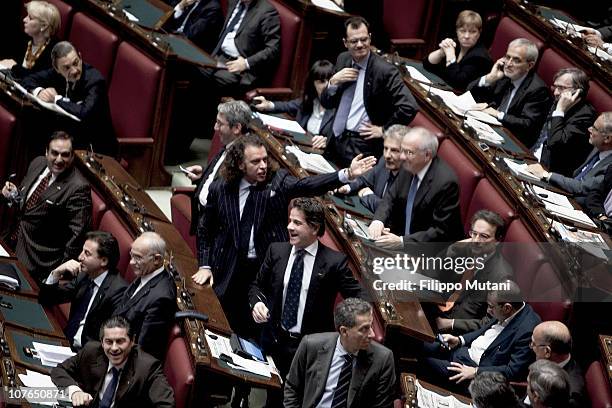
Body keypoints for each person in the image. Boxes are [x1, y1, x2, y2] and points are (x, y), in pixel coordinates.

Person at [193, 133, 376, 338]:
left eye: (265, 159)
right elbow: (205, 228)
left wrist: (346, 174)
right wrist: (205, 265)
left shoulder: (277, 182)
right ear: (240, 164)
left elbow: (306, 186)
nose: (263, 165)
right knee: (223, 323)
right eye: (255, 161)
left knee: (259, 326)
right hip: (230, 267)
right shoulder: (221, 188)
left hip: (266, 266)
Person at [249, 198, 366, 407]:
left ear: (314, 227)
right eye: (289, 221)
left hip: (309, 349)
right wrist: (257, 303)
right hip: (275, 340)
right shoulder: (276, 251)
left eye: (297, 223)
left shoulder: (333, 262)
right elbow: (257, 286)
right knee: (273, 397)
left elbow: (359, 296)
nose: (289, 227)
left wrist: (350, 325)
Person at [321, 16, 418, 168]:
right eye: (354, 41)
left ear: (370, 38)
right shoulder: (343, 59)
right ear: (345, 43)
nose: (360, 45)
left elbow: (409, 106)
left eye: (364, 39)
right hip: (335, 139)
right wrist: (332, 82)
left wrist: (385, 130)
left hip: (361, 146)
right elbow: (327, 103)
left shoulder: (384, 71)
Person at [1, 131, 91, 283]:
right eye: (54, 153)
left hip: (37, 263)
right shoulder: (38, 163)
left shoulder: (78, 187)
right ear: (46, 152)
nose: (59, 159)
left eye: (65, 155)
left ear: (72, 156)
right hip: (10, 242)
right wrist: (14, 195)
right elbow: (28, 209)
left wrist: (54, 275)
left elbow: (77, 237)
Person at [422, 281, 541, 389]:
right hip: (463, 350)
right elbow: (483, 331)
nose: (488, 311)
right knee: (420, 344)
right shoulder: (508, 310)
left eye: (490, 307)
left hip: (472, 369)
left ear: (507, 308)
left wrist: (476, 372)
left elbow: (512, 371)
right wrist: (459, 340)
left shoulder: (528, 331)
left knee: (424, 363)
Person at [284, 298, 396, 408]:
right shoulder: (311, 345)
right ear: (344, 331)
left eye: (371, 326)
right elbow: (292, 387)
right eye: (364, 329)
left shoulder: (383, 359)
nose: (372, 335)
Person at [368, 126, 463, 248]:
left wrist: (402, 242)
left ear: (427, 155)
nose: (402, 157)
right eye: (402, 150)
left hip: (428, 252)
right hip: (398, 237)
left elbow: (439, 231)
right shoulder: (409, 164)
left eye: (409, 152)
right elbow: (390, 197)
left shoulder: (446, 183)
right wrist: (378, 220)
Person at [51, 316, 175, 408]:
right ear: (102, 341)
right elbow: (59, 370)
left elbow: (167, 405)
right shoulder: (92, 351)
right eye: (109, 342)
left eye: (120, 341)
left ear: (132, 341)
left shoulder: (147, 367)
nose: (114, 348)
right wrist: (74, 391)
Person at [21, 41, 118, 156]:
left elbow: (84, 112)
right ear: (57, 69)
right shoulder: (56, 73)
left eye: (76, 63)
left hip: (95, 146)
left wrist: (57, 99)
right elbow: (28, 79)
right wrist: (39, 91)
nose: (74, 70)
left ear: (80, 57)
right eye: (67, 68)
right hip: (69, 135)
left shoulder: (95, 81)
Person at [39, 231, 127, 349]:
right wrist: (57, 272)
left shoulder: (118, 291)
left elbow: (109, 342)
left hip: (86, 357)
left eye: (87, 253)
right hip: (65, 343)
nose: (80, 257)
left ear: (104, 261)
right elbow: (47, 298)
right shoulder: (85, 275)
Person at [434, 210, 514, 335]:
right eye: (474, 233)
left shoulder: (501, 276)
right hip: (435, 307)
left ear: (498, 241)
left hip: (454, 332)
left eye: (484, 236)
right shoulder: (464, 249)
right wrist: (452, 249)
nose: (475, 240)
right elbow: (434, 271)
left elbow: (491, 322)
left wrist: (450, 324)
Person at [184, 100, 253, 235]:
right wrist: (203, 175)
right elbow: (220, 177)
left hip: (216, 229)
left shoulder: (243, 158)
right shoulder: (229, 146)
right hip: (204, 220)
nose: (215, 127)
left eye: (220, 123)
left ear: (237, 128)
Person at [468, 38, 551, 148]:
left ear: (530, 66)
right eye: (507, 57)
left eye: (516, 60)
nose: (508, 64)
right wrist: (490, 78)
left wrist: (498, 114)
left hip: (513, 142)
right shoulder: (503, 75)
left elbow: (527, 124)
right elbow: (469, 91)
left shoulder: (538, 90)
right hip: (489, 129)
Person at [112, 232, 177, 360]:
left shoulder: (162, 298)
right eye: (131, 256)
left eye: (138, 258)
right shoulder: (146, 274)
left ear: (157, 260)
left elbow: (142, 350)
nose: (131, 262)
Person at [527, 112, 612, 208]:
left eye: (595, 128)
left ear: (607, 138)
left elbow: (582, 187)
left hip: (578, 207)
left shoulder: (609, 167)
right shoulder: (598, 146)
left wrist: (546, 175)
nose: (589, 129)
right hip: (565, 193)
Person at [253, 60, 335, 151]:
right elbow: (287, 106)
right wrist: (268, 104)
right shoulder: (310, 101)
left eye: (331, 81)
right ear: (313, 84)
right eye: (322, 81)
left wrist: (327, 141)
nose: (327, 86)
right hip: (301, 148)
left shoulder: (339, 109)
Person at [531, 68, 596, 177]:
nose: (555, 92)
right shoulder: (558, 101)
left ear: (577, 91)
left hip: (551, 172)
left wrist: (560, 111)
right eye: (555, 87)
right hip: (533, 157)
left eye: (561, 88)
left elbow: (556, 144)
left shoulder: (585, 117)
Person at [336, 124, 407, 213]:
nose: (387, 155)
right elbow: (364, 179)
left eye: (394, 150)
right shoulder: (384, 161)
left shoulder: (409, 179)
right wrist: (347, 187)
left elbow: (391, 211)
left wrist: (367, 195)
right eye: (385, 148)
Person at [423, 10, 493, 91]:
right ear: (457, 31)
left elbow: (457, 83)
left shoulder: (480, 57)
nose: (466, 36)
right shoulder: (455, 44)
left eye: (472, 32)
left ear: (479, 33)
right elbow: (426, 65)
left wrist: (450, 56)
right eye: (463, 31)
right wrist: (441, 52)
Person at [529, 321, 588, 408]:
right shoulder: (554, 360)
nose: (531, 347)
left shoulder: (569, 397)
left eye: (533, 344)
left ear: (547, 351)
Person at [0, 1, 60, 79]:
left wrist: (14, 67)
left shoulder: (55, 53)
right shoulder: (23, 40)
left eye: (30, 18)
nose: (24, 20)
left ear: (44, 26)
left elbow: (39, 80)